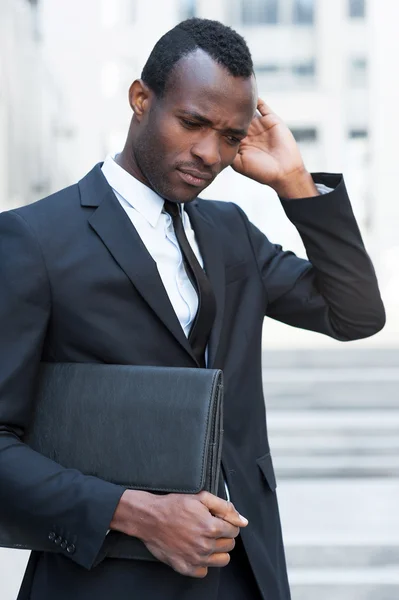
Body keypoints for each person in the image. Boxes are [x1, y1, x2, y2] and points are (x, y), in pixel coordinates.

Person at [0, 17, 385, 600]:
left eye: (230, 137)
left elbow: (355, 313)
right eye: (192, 123)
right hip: (104, 580)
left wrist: (296, 183)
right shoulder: (35, 241)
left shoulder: (231, 233)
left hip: (243, 575)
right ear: (140, 99)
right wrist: (137, 514)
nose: (208, 153)